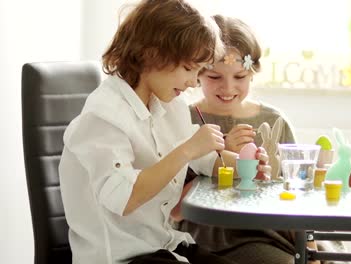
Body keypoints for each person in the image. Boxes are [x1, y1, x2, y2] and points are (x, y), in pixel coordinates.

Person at [58, 1, 272, 264]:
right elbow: (124, 199)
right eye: (189, 69)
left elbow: (206, 160)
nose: (194, 82)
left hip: (164, 246)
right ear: (152, 54)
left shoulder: (169, 106)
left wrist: (245, 166)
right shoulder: (103, 117)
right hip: (121, 257)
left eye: (198, 71)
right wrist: (188, 149)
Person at [170, 15, 346, 264]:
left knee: (334, 256)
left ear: (253, 73)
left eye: (239, 77)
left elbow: (296, 188)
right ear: (197, 73)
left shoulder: (274, 120)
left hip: (280, 226)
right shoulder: (184, 120)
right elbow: (174, 204)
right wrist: (223, 154)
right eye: (215, 77)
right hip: (221, 235)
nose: (228, 87)